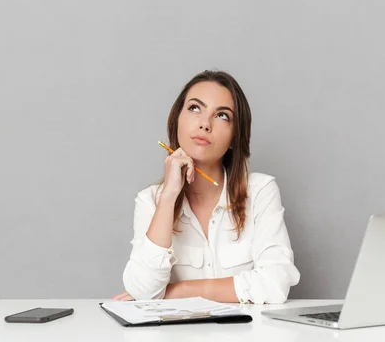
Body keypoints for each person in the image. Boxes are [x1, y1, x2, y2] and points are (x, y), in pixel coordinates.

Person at [116, 70, 300, 304]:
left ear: (235, 136)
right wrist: (169, 196)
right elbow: (143, 290)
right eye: (194, 108)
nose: (204, 124)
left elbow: (275, 283)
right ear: (177, 120)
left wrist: (176, 291)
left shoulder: (260, 191)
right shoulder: (150, 200)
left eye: (222, 115)